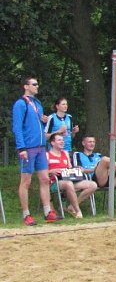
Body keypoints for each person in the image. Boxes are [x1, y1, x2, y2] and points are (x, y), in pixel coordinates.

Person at [11, 76, 57, 225]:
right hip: (28, 148)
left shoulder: (37, 103)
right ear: (26, 86)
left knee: (44, 179)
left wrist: (42, 120)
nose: (37, 86)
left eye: (37, 84)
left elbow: (37, 125)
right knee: (26, 181)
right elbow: (17, 127)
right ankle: (26, 214)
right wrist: (21, 147)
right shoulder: (20, 104)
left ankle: (47, 211)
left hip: (40, 147)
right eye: (34, 84)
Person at [47, 132, 96, 218]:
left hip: (68, 178)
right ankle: (78, 211)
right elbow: (42, 173)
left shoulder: (65, 153)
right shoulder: (47, 155)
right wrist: (51, 171)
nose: (62, 142)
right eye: (59, 140)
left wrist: (75, 169)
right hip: (54, 181)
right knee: (68, 184)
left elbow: (69, 167)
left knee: (93, 185)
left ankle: (71, 206)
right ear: (52, 143)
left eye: (63, 140)